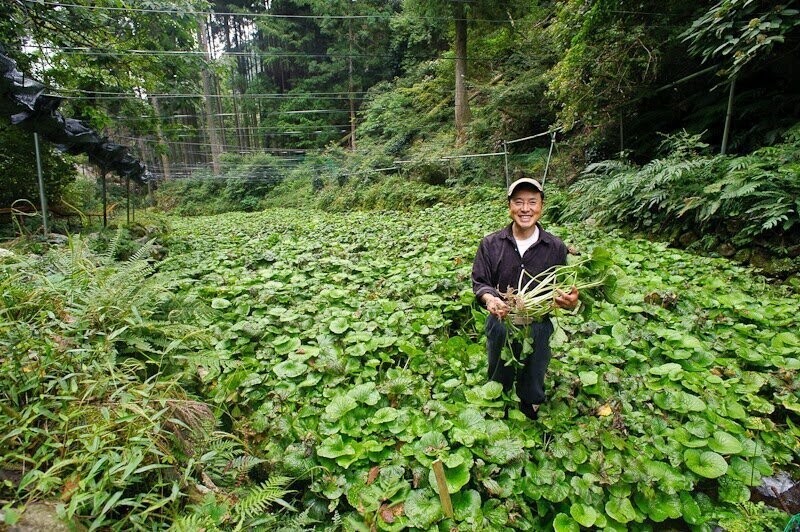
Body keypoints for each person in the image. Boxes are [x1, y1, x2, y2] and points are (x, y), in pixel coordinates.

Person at [471, 176, 579, 420]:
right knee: (499, 358)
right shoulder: (490, 244)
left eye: (532, 201)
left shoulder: (555, 247)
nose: (525, 209)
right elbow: (480, 282)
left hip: (538, 319)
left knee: (536, 361)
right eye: (518, 202)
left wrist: (570, 302)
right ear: (509, 205)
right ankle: (498, 395)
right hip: (501, 317)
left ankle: (530, 401)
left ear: (541, 205)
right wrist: (490, 299)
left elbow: (562, 287)